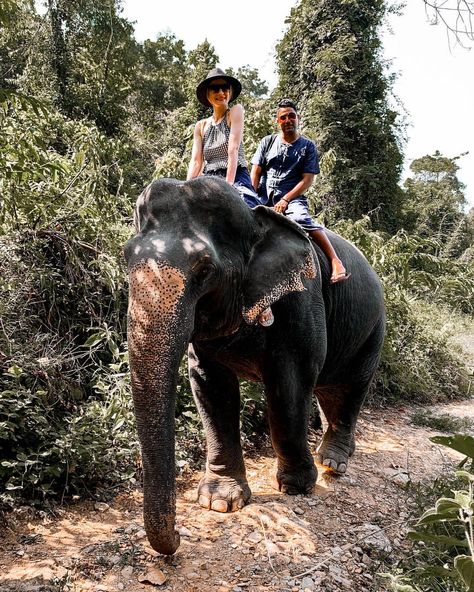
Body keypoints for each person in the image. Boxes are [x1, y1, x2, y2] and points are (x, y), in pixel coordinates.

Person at [251, 99, 350, 287]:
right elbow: (256, 172)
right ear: (277, 121)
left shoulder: (307, 146)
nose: (288, 120)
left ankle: (335, 260)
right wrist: (253, 195)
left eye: (291, 116)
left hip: (292, 198)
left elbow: (307, 180)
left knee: (301, 218)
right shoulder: (267, 142)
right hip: (264, 195)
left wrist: (286, 199)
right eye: (283, 117)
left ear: (298, 118)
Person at [187, 67, 260, 209]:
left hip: (235, 177)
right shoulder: (201, 126)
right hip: (209, 179)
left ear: (230, 91)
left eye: (225, 88)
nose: (221, 92)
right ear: (208, 94)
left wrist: (228, 187)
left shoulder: (235, 112)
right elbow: (196, 162)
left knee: (249, 209)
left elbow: (233, 150)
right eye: (215, 88)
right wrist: (185, 189)